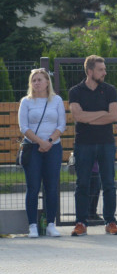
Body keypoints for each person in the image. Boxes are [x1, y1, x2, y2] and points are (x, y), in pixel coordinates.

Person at [69, 55, 117, 236]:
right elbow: (78, 117)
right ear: (90, 71)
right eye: (101, 70)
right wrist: (101, 113)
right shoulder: (75, 91)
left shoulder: (110, 90)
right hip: (83, 144)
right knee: (82, 184)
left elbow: (114, 116)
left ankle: (110, 222)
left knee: (109, 184)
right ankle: (81, 222)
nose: (104, 73)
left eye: (104, 69)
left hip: (106, 143)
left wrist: (89, 117)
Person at [18, 68, 66, 237]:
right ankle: (32, 225)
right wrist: (40, 142)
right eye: (34, 80)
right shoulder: (26, 102)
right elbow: (24, 127)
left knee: (51, 187)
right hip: (33, 148)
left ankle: (51, 224)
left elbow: (61, 125)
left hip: (53, 148)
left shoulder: (57, 100)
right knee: (33, 187)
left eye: (40, 80)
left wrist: (50, 142)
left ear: (47, 82)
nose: (36, 83)